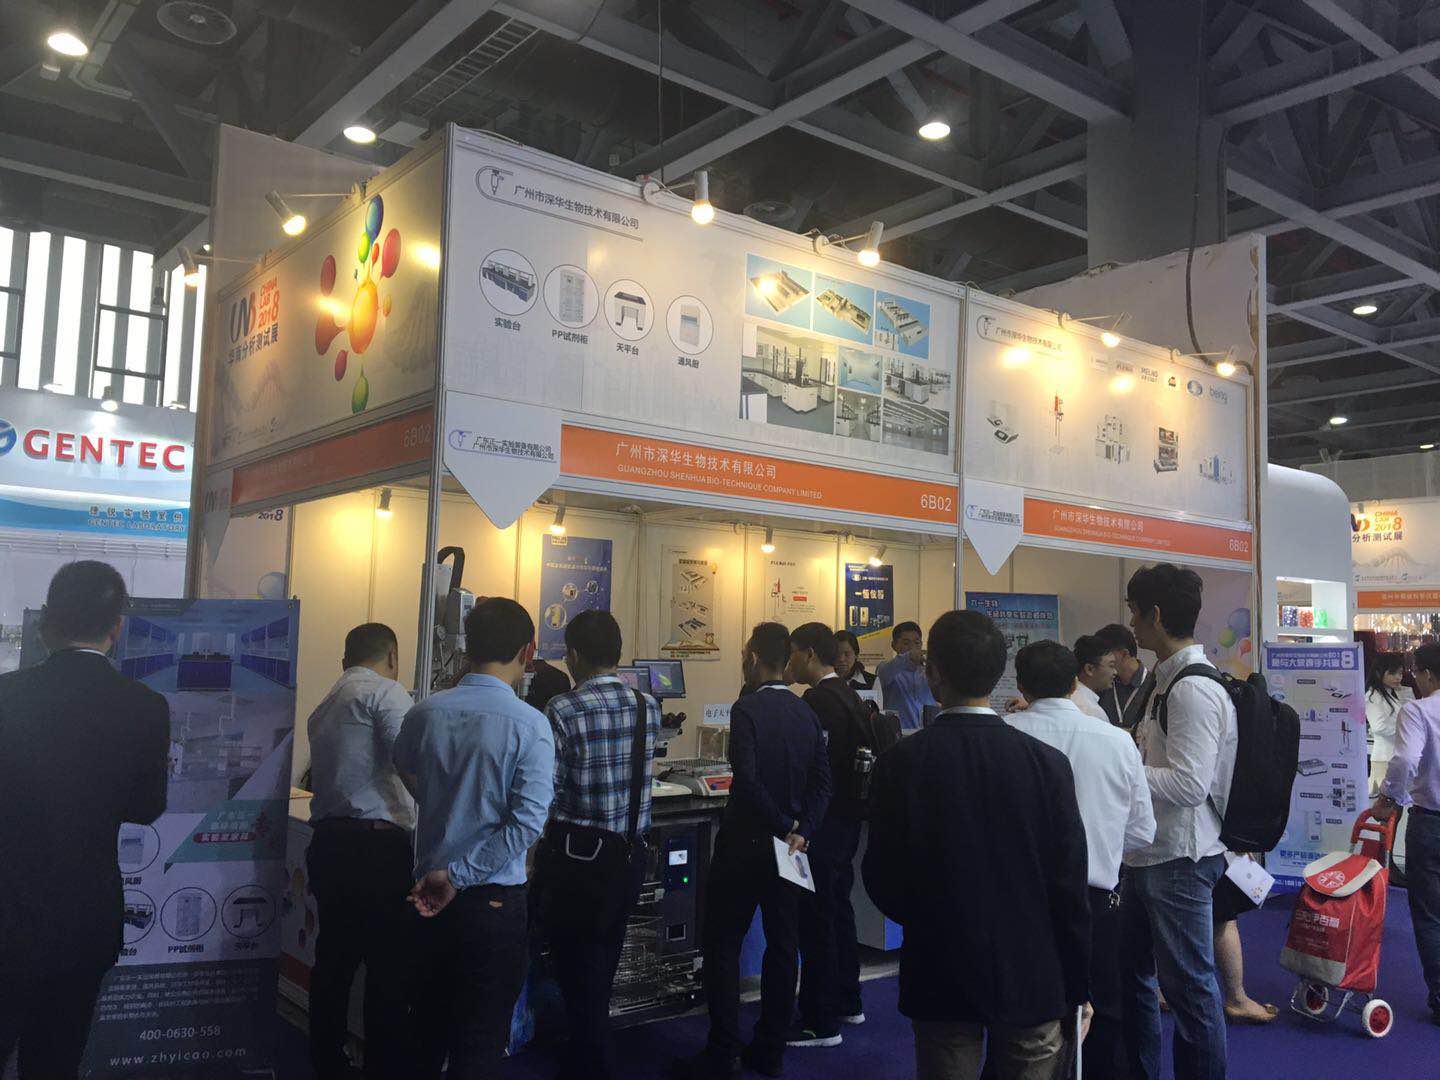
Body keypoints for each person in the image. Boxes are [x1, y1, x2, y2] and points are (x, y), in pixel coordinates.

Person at [863, 611, 1091, 1080]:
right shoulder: (1047, 764)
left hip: (941, 964)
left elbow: (882, 877)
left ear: (934, 674)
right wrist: (1078, 980)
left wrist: (933, 917)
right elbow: (1069, 883)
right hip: (1033, 966)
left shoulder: (901, 763)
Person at [0, 562, 168, 1078]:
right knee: (56, 1058)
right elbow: (145, 807)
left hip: (6, 913)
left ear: (46, 623)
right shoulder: (146, 706)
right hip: (84, 918)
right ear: (116, 627)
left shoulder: (6, 695)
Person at [394, 598, 556, 1080]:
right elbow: (527, 823)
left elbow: (403, 765)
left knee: (423, 1033)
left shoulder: (426, 712)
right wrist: (459, 876)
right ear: (528, 652)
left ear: (467, 646)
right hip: (491, 905)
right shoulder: (530, 724)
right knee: (480, 1044)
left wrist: (442, 806)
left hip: (427, 897)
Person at [679, 622, 831, 1079]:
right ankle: (770, 1050)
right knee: (783, 946)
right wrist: (802, 829)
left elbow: (746, 780)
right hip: (791, 850)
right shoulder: (806, 711)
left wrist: (784, 824)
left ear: (753, 656)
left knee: (722, 943)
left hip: (745, 845)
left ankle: (724, 1050)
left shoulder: (746, 709)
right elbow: (823, 783)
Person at [1007, 640, 1155, 1079]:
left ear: (1021, 685)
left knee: (1020, 1015)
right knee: (1101, 1010)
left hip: (1017, 901)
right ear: (1074, 683)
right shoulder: (1116, 741)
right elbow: (1143, 832)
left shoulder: (1004, 735)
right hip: (1095, 898)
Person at [1120, 564, 1237, 1080]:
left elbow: (1190, 785)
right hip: (1152, 852)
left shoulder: (1191, 689)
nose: (1131, 624)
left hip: (1180, 858)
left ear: (1155, 615)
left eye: (1134, 612)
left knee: (1190, 992)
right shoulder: (1166, 680)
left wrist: (1126, 770)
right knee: (1135, 979)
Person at [540, 610, 659, 1080]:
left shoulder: (562, 709)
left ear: (573, 655)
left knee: (574, 963)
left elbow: (547, 789)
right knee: (605, 955)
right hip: (629, 853)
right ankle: (587, 1051)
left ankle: (593, 1062)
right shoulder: (647, 705)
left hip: (578, 855)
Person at [305, 622, 419, 1079]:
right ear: (392, 655)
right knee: (387, 971)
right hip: (377, 850)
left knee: (333, 965)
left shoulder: (326, 704)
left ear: (345, 658)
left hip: (330, 845)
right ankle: (382, 1068)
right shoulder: (385, 693)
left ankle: (327, 1064)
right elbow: (410, 761)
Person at [786, 623, 873, 1048]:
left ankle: (819, 1021)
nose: (789, 662)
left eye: (793, 653)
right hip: (847, 821)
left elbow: (811, 768)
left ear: (808, 654)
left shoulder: (818, 701)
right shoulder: (850, 695)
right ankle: (848, 1000)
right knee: (839, 910)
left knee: (817, 919)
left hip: (822, 824)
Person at [1371, 641, 1440, 1025]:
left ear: (1426, 674)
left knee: (1430, 913)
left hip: (1431, 820)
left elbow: (1406, 759)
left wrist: (1388, 800)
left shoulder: (1419, 710)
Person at [876, 621, 937, 731]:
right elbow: (884, 673)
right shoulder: (885, 668)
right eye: (906, 643)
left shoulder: (928, 670)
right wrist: (909, 656)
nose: (913, 648)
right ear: (894, 646)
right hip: (900, 734)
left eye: (917, 643)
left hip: (929, 732)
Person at [1367, 653, 1411, 796]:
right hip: (1384, 758)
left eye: (1400, 673)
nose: (1398, 677)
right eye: (1393, 673)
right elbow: (1379, 727)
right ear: (1379, 672)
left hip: (1393, 756)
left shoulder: (1390, 694)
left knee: (1394, 802)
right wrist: (1404, 728)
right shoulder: (1373, 696)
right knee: (1387, 802)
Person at [1095, 624, 1148, 730]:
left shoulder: (1154, 684)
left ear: (1124, 654)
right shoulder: (1101, 684)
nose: (1100, 660)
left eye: (1105, 654)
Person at [1072, 634, 1117, 724]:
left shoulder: (1069, 696)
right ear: (1089, 669)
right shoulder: (1092, 711)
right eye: (1111, 666)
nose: (1115, 672)